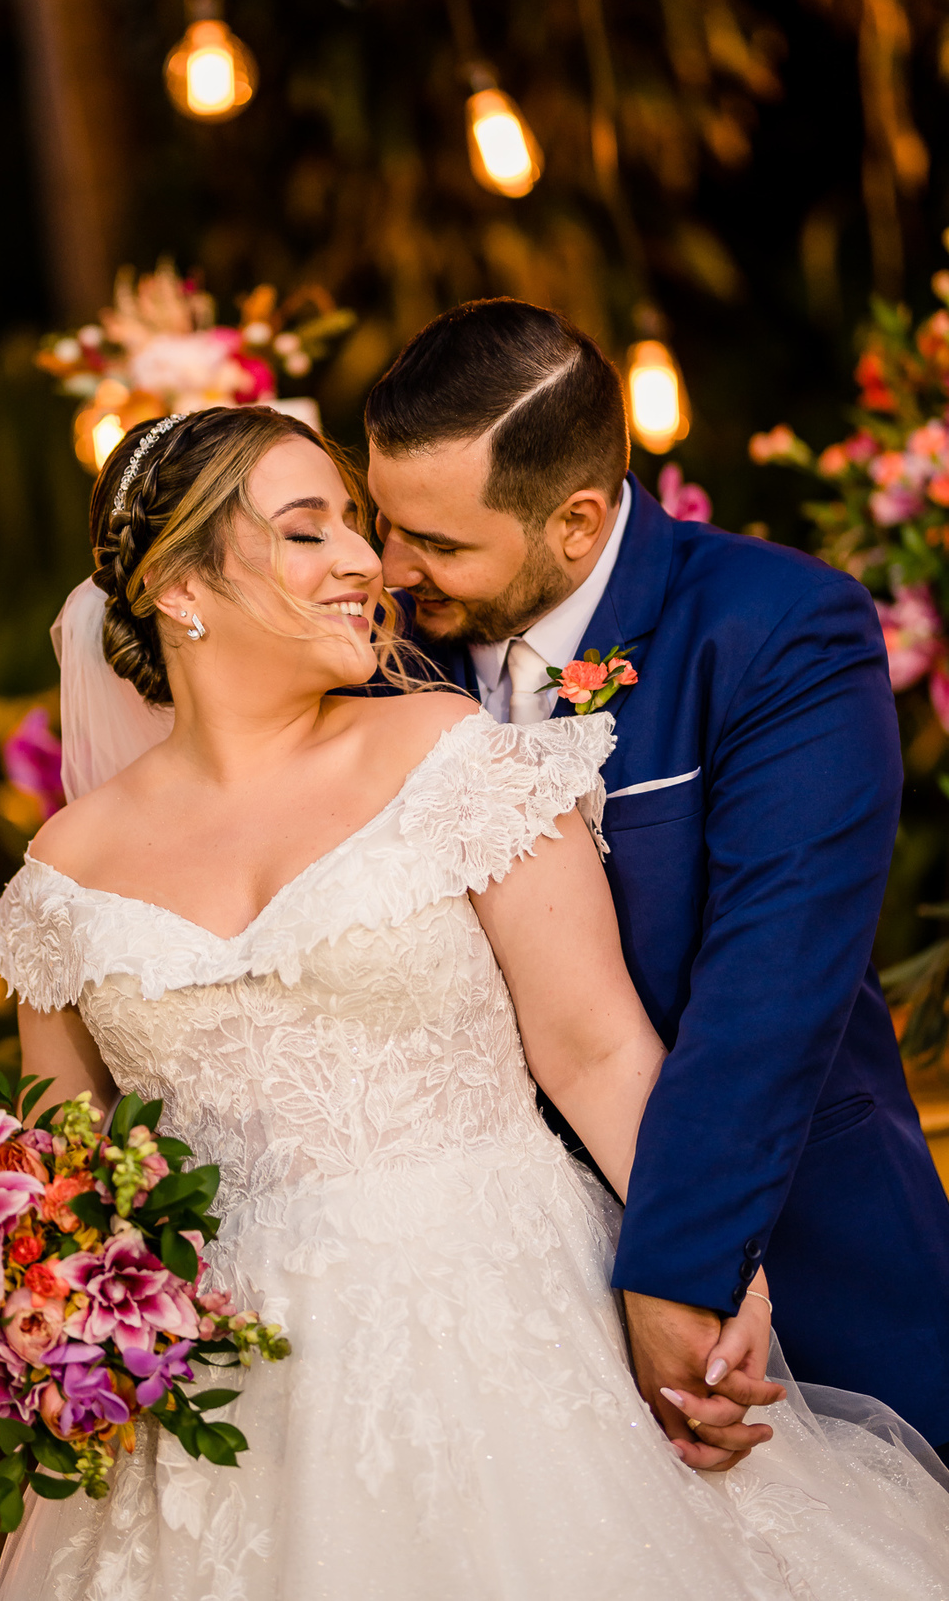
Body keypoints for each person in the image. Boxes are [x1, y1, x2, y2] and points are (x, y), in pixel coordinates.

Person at [0, 404, 949, 1601]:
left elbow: (594, 1049)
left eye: (353, 521)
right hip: (224, 1410)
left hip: (514, 1343)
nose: (363, 561)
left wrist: (715, 1276)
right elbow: (65, 1188)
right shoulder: (64, 876)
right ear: (182, 583)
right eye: (307, 531)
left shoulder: (453, 754)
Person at [364, 296, 949, 1468]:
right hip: (491, 1311)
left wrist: (681, 1264)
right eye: (383, 522)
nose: (388, 568)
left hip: (790, 1249)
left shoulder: (780, 631)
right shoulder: (370, 659)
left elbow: (769, 991)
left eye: (435, 543)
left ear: (578, 522)